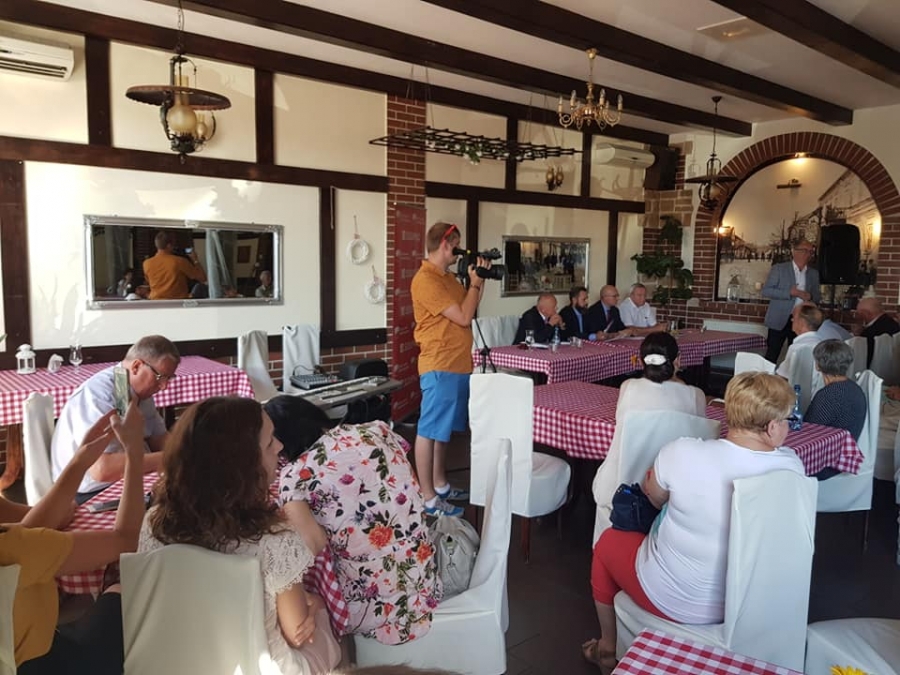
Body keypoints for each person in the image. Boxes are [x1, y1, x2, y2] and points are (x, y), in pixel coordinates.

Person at [582, 372, 805, 672]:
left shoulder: (683, 452)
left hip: (675, 598)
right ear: (772, 427)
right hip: (751, 601)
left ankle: (608, 646)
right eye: (789, 420)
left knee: (607, 542)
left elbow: (653, 497)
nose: (789, 427)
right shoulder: (792, 467)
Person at [139, 396, 341, 675]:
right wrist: (316, 603)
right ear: (243, 466)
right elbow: (296, 633)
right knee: (327, 627)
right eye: (269, 443)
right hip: (258, 667)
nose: (280, 446)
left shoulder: (154, 522)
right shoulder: (274, 539)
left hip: (178, 662)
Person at [265, 395, 442, 645]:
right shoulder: (377, 429)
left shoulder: (295, 477)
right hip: (426, 581)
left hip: (374, 610)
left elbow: (308, 548)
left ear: (282, 442)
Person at [1, 403, 145, 675]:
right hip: (42, 662)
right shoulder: (14, 548)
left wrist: (81, 461)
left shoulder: (15, 544)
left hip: (26, 644)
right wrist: (134, 455)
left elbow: (30, 525)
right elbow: (126, 539)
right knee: (126, 585)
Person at [591, 332, 706, 544]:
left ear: (641, 360)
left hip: (618, 488)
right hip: (669, 495)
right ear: (678, 360)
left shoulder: (628, 388)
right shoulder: (695, 396)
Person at [410, 222, 490, 517]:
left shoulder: (448, 279)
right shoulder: (426, 280)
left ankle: (441, 484)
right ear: (446, 244)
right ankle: (428, 497)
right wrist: (475, 284)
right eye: (456, 245)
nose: (459, 252)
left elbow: (470, 304)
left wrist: (478, 281)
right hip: (440, 364)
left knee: (443, 430)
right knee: (429, 430)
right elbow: (464, 318)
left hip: (458, 364)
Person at [50, 335, 179, 504]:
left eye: (169, 378)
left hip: (128, 478)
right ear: (136, 366)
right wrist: (171, 457)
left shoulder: (132, 387)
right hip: (88, 492)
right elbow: (102, 469)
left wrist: (184, 450)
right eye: (160, 377)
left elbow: (158, 438)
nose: (164, 386)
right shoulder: (99, 395)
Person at [805, 340, 868, 480]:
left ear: (818, 365)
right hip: (844, 455)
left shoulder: (828, 395)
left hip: (826, 462)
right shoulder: (854, 388)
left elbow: (808, 431)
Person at [761, 239, 820, 363]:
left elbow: (817, 297)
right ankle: (766, 376)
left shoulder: (813, 274)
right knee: (772, 354)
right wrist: (790, 293)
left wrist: (810, 297)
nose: (808, 254)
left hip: (801, 320)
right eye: (805, 250)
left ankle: (791, 375)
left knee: (796, 356)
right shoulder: (779, 269)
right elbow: (766, 291)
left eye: (811, 252)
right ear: (794, 251)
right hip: (779, 318)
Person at [142, 231, 207, 300]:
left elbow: (148, 282)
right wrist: (195, 260)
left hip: (156, 301)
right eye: (174, 245)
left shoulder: (146, 263)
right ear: (169, 245)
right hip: (177, 301)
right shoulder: (179, 261)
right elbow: (202, 278)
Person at [776, 303, 823, 378]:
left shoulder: (797, 347)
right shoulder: (823, 343)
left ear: (801, 322)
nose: (791, 320)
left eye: (794, 317)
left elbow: (782, 377)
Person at [855, 296, 900, 367]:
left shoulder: (869, 333)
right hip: (891, 368)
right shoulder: (892, 323)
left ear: (867, 314)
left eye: (859, 313)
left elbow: (859, 357)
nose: (859, 316)